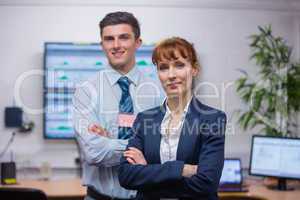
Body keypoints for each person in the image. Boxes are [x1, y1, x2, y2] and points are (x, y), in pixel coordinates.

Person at [118, 37, 227, 200]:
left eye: (179, 65)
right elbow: (126, 176)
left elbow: (206, 183)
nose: (171, 75)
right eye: (163, 68)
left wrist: (148, 174)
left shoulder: (212, 119)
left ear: (194, 69)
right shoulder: (144, 119)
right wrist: (181, 169)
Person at [72, 11, 162, 200]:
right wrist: (142, 146)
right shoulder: (86, 91)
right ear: (102, 45)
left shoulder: (158, 93)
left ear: (138, 42)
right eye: (109, 39)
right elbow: (93, 153)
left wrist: (109, 141)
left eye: (124, 37)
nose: (116, 45)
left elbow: (165, 151)